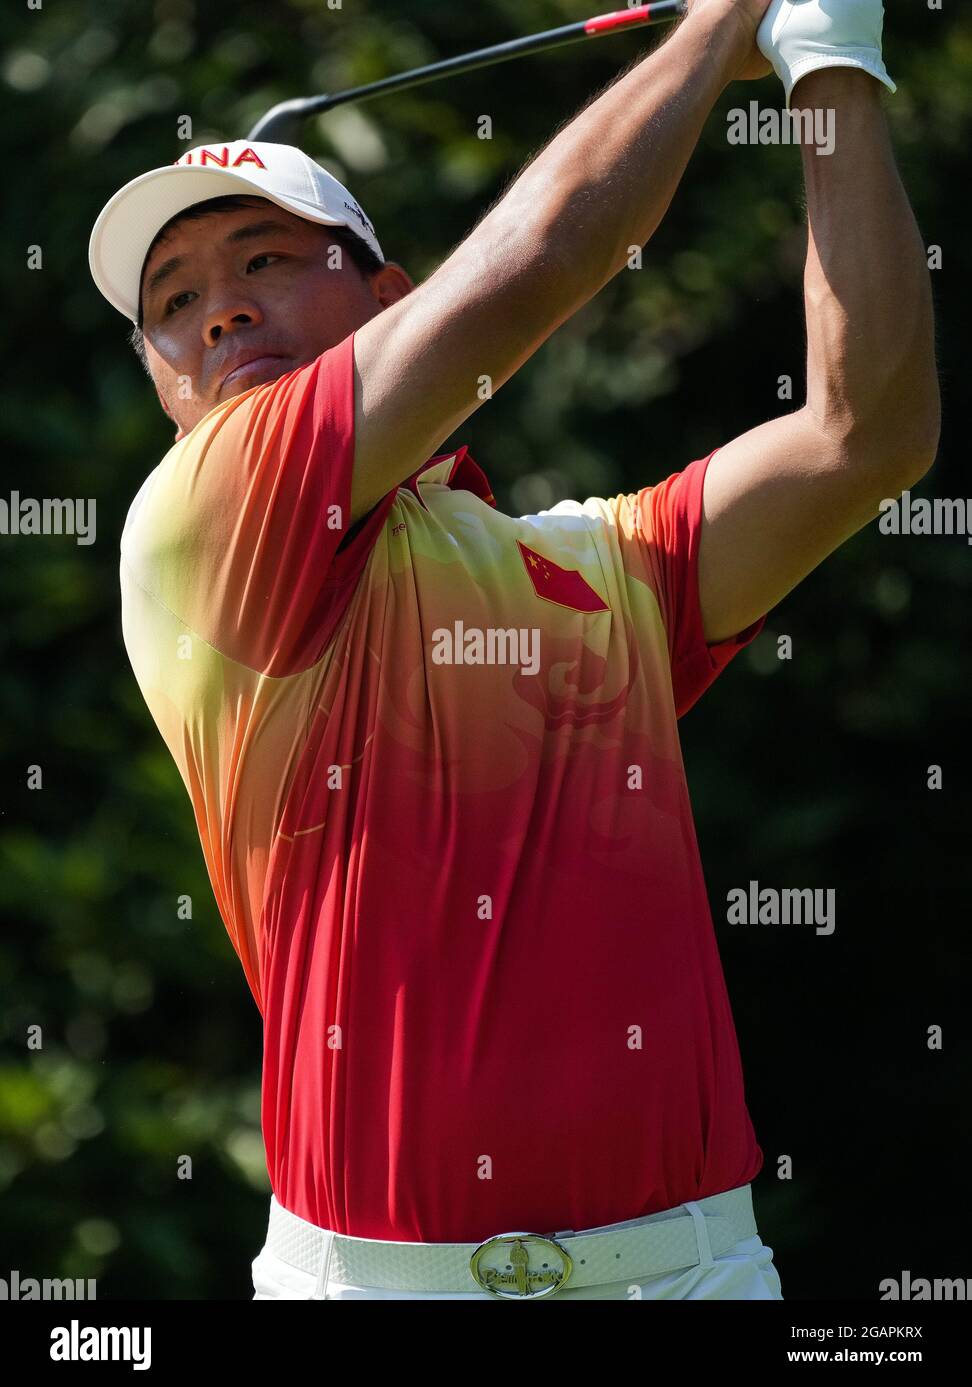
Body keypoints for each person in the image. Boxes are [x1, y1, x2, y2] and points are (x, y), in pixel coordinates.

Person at [87, 0, 938, 1300]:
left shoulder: (596, 565)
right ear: (158, 376)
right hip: (375, 1283)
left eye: (264, 262)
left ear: (386, 299)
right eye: (175, 301)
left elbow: (865, 436)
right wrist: (723, 21)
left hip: (694, 1270)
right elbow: (553, 252)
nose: (216, 314)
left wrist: (832, 66)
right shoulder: (206, 512)